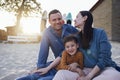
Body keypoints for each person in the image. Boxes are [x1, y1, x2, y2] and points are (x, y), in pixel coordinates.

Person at [52, 11, 120, 80]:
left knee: (116, 75)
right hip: (85, 70)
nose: (74, 20)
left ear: (84, 18)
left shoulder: (100, 33)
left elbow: (103, 59)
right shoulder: (77, 37)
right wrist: (47, 68)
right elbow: (63, 54)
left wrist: (88, 77)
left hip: (104, 69)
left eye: (77, 17)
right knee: (61, 74)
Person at [16, 9, 78, 80]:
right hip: (57, 64)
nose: (57, 22)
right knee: (32, 76)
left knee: (42, 79)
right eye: (54, 20)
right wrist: (40, 68)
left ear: (62, 19)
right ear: (49, 22)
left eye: (59, 19)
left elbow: (82, 41)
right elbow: (43, 51)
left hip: (71, 64)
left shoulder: (70, 29)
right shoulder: (47, 32)